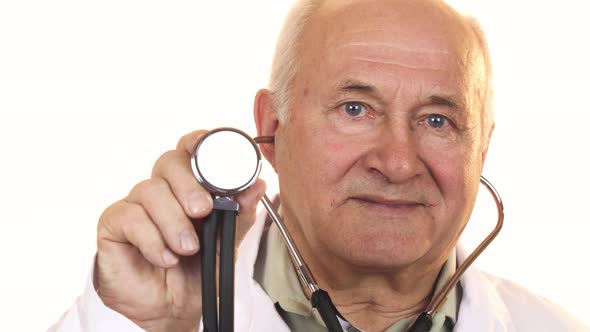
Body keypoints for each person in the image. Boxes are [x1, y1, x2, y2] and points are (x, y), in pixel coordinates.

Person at [50, 0, 588, 331]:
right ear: (272, 129)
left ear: (483, 148)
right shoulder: (162, 313)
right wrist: (139, 326)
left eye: (437, 121)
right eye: (355, 109)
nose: (398, 163)